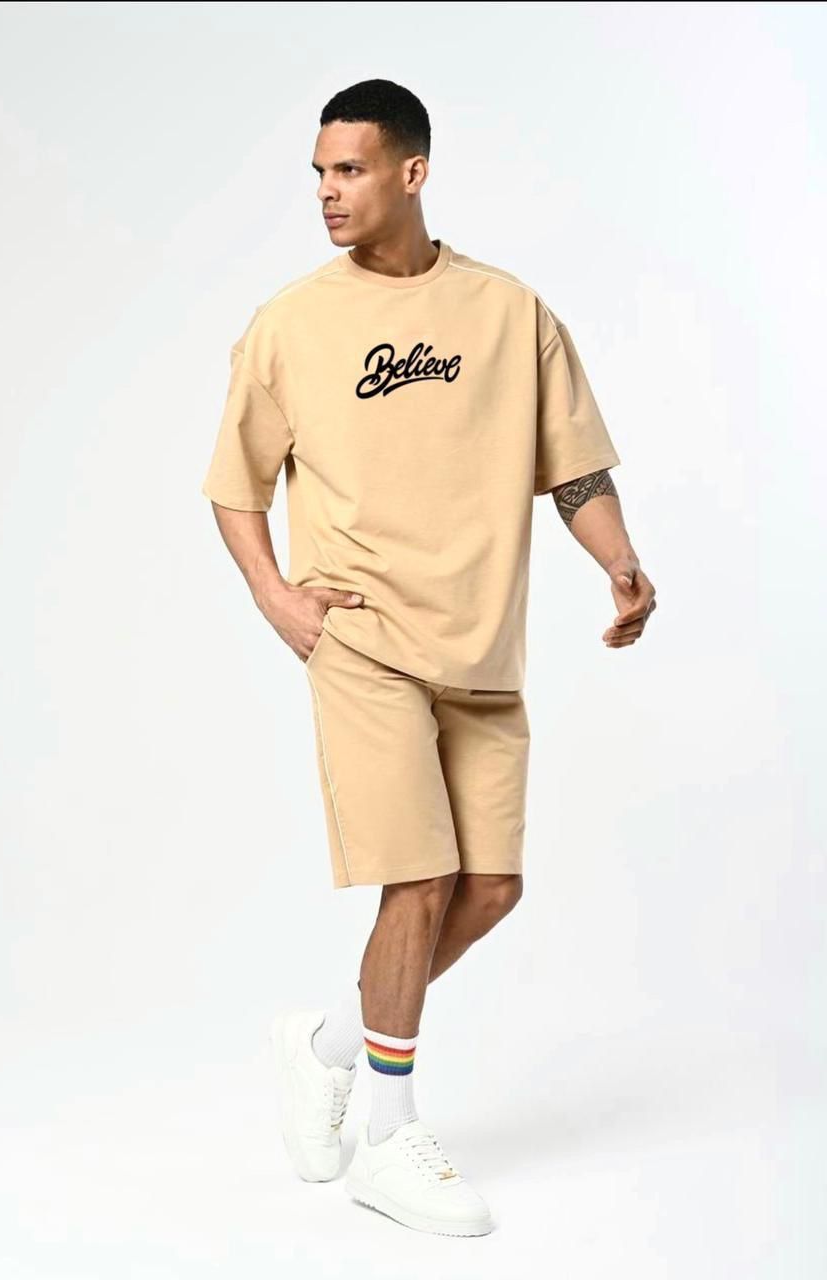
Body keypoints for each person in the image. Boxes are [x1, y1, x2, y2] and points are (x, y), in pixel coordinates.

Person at [200, 78, 657, 1237]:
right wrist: (277, 599)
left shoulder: (509, 311)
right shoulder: (290, 323)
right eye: (318, 172)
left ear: (412, 172)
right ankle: (388, 1137)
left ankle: (326, 1043)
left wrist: (618, 559)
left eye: (348, 169)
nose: (326, 192)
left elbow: (574, 465)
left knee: (489, 886)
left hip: (482, 646)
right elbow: (234, 485)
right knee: (418, 876)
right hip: (361, 638)